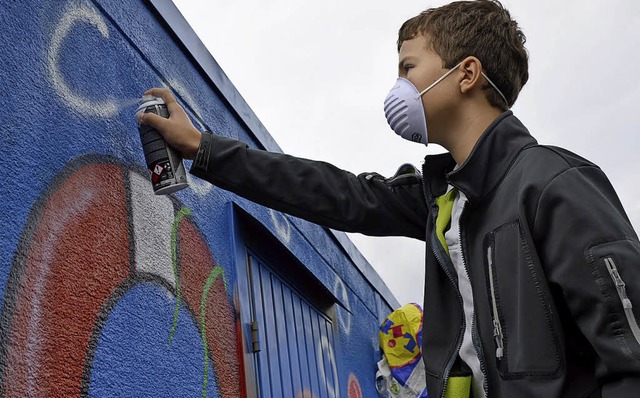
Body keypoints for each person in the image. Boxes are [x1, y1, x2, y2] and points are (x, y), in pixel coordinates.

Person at [138, 1, 640, 396]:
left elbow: (630, 354)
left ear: (466, 74)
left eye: (409, 67)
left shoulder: (553, 182)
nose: (398, 86)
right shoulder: (440, 200)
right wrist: (203, 149)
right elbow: (331, 193)